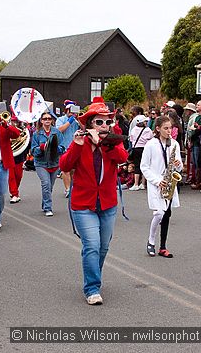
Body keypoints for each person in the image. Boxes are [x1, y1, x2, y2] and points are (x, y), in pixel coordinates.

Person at [59, 102, 128, 305]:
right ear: (89, 124)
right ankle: (92, 287)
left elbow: (122, 158)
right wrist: (78, 146)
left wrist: (107, 144)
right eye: (99, 122)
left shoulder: (114, 142)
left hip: (107, 203)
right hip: (83, 204)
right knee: (92, 245)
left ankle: (93, 275)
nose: (104, 125)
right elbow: (64, 165)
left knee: (103, 247)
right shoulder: (79, 141)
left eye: (108, 121)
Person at [140, 116, 183, 258]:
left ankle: (163, 247)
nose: (169, 131)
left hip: (170, 182)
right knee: (159, 212)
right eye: (166, 128)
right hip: (156, 183)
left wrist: (178, 165)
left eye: (170, 128)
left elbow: (180, 167)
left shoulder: (174, 144)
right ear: (158, 129)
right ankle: (151, 240)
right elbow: (144, 167)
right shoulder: (151, 144)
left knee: (166, 215)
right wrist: (157, 181)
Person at [31, 110, 65, 217]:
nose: (47, 121)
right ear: (41, 121)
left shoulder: (57, 132)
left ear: (52, 121)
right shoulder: (37, 134)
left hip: (54, 163)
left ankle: (45, 203)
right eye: (45, 119)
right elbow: (33, 150)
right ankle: (48, 208)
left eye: (49, 119)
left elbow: (63, 147)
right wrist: (41, 148)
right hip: (41, 163)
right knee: (46, 184)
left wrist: (55, 148)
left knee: (49, 187)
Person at [56, 101, 81, 197]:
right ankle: (67, 189)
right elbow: (59, 130)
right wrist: (69, 121)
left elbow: (84, 128)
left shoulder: (76, 120)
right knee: (65, 170)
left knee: (74, 171)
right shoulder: (61, 119)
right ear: (66, 110)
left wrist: (79, 119)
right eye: (70, 110)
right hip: (64, 147)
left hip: (74, 148)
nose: (72, 112)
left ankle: (73, 187)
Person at [128, 115, 153, 191]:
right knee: (145, 165)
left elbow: (131, 139)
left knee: (137, 165)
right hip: (145, 148)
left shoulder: (134, 129)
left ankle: (136, 184)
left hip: (136, 148)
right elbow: (151, 138)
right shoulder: (148, 130)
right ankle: (143, 183)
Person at [8, 116, 28, 203]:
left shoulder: (23, 131)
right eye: (13, 121)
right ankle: (14, 194)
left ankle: (15, 190)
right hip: (9, 155)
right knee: (11, 176)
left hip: (19, 156)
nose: (15, 123)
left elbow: (26, 142)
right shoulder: (7, 129)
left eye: (16, 121)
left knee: (18, 176)